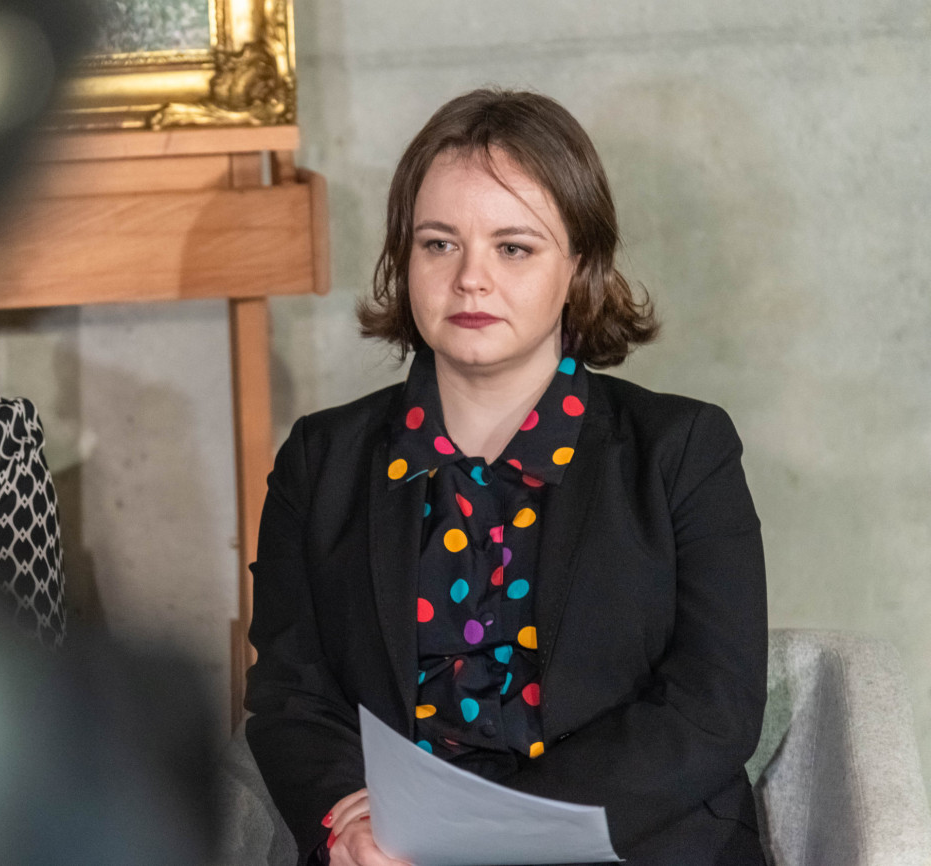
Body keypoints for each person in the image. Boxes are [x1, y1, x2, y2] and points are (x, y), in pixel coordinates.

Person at [244, 89, 767, 866]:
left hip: (632, 848)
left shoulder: (684, 450)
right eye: (439, 244)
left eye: (513, 248)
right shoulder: (320, 460)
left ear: (579, 265)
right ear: (403, 260)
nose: (471, 279)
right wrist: (346, 821)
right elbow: (292, 696)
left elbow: (711, 710)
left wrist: (487, 828)